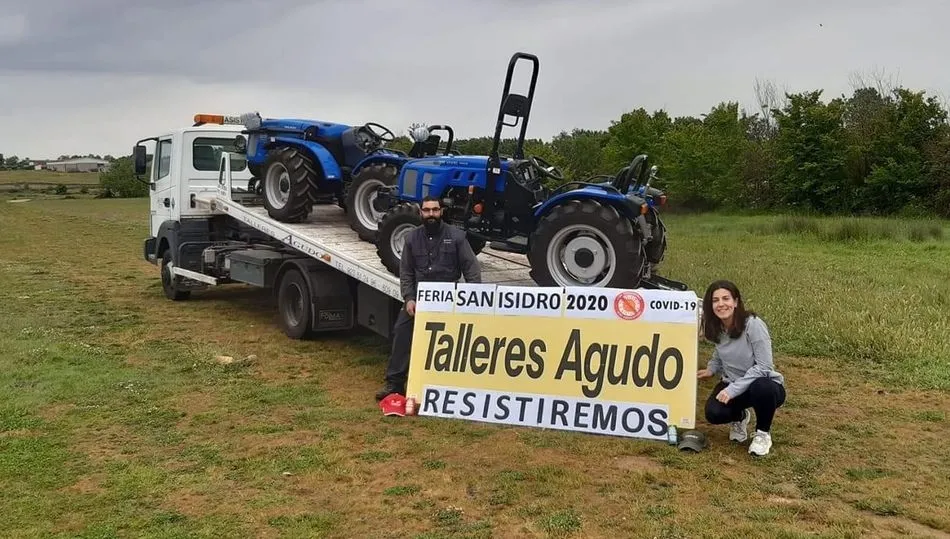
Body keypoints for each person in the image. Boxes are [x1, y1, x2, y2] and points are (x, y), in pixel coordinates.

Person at [375, 195, 482, 401]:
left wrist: (472, 300)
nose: (431, 214)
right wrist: (409, 299)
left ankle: (454, 384)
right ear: (421, 212)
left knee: (457, 339)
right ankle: (395, 383)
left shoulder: (457, 237)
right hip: (420, 300)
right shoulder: (411, 239)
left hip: (450, 301)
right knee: (401, 331)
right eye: (427, 210)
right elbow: (406, 273)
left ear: (441, 212)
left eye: (435, 210)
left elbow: (472, 271)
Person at [697, 280, 786, 456]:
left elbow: (764, 366)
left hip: (763, 384)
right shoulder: (717, 326)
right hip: (733, 383)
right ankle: (740, 417)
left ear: (736, 302)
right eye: (715, 300)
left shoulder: (753, 324)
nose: (721, 304)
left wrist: (732, 390)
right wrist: (711, 369)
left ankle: (762, 434)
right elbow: (719, 351)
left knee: (763, 387)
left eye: (726, 298)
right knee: (713, 413)